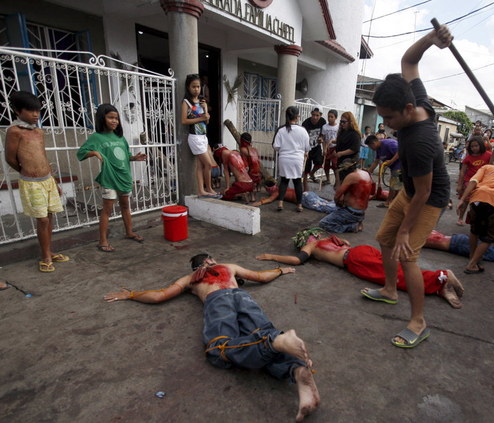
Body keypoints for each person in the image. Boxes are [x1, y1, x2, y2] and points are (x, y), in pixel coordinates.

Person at [103, 253, 319, 421]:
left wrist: (131, 294)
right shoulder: (228, 267)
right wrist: (281, 269)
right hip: (243, 297)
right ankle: (298, 370)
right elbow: (261, 277)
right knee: (260, 333)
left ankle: (276, 342)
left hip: (217, 301)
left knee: (219, 349)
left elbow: (160, 295)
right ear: (209, 260)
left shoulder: (190, 278)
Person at [368, 25, 453, 348]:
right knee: (383, 238)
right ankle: (390, 290)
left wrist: (406, 230)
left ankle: (419, 321)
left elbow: (426, 193)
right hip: (410, 190)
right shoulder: (414, 100)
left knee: (408, 254)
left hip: (429, 198)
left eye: (388, 119)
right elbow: (409, 61)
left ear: (406, 111)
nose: (385, 125)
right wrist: (432, 40)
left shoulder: (421, 140)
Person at [256, 228, 465, 309]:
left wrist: (270, 256)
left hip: (354, 260)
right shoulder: (329, 238)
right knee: (397, 269)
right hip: (361, 250)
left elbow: (297, 260)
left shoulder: (311, 245)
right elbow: (345, 241)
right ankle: (439, 286)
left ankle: (441, 277)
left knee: (395, 277)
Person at [5, 91, 70, 272]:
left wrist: (54, 181)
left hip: (47, 180)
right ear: (18, 111)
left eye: (38, 111)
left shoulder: (39, 131)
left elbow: (43, 156)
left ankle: (49, 251)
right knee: (42, 219)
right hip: (31, 182)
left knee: (49, 217)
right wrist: (26, 171)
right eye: (30, 111)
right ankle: (45, 256)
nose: (36, 115)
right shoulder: (14, 131)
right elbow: (10, 158)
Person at [77, 104, 147, 253]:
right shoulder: (97, 137)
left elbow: (125, 156)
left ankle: (129, 232)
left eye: (116, 118)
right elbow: (81, 152)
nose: (114, 121)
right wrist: (94, 153)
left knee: (126, 206)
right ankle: (102, 241)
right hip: (109, 178)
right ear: (103, 118)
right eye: (110, 117)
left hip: (124, 177)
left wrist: (134, 158)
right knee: (107, 210)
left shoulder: (120, 138)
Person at [181, 74, 216, 197]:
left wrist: (206, 111)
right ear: (188, 87)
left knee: (200, 166)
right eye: (194, 86)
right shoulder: (186, 102)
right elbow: (184, 121)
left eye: (198, 86)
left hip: (203, 136)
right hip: (194, 137)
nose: (196, 89)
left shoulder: (202, 102)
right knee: (208, 164)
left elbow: (206, 121)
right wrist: (201, 117)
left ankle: (201, 190)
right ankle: (209, 188)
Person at [273, 106, 310, 212]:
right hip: (297, 159)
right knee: (297, 182)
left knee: (284, 181)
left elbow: (276, 146)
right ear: (297, 116)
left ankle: (280, 203)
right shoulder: (302, 130)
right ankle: (299, 205)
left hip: (284, 159)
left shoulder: (281, 130)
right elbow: (307, 147)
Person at [318, 165, 372, 233]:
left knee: (324, 223)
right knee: (330, 208)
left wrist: (339, 204)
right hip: (360, 212)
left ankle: (352, 226)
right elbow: (372, 193)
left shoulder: (351, 176)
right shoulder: (365, 173)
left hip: (350, 213)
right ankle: (355, 222)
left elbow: (337, 196)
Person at [456, 136, 491, 225]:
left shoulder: (489, 155)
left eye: (476, 145)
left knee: (477, 203)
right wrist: (459, 185)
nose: (474, 148)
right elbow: (462, 172)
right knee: (465, 201)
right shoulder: (468, 158)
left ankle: (474, 219)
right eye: (472, 146)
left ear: (481, 145)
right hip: (469, 182)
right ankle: (460, 218)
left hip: (482, 183)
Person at [365, 134, 401, 208]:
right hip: (394, 167)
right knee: (396, 185)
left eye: (370, 146)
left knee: (393, 185)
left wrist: (391, 160)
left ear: (373, 143)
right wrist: (368, 171)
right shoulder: (378, 149)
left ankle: (388, 202)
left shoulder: (389, 144)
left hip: (401, 165)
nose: (370, 148)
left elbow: (400, 152)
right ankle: (395, 202)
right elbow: (376, 161)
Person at [334, 111, 361, 186]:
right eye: (341, 122)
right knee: (339, 180)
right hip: (341, 160)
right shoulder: (343, 132)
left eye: (344, 122)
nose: (342, 124)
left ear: (350, 122)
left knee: (344, 183)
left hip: (349, 162)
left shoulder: (355, 134)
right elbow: (342, 142)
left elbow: (354, 148)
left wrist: (341, 153)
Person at [301, 108, 326, 186]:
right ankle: (305, 185)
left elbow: (323, 133)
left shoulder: (323, 121)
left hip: (316, 146)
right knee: (306, 167)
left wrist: (321, 138)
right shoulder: (305, 123)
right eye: (313, 115)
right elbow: (302, 137)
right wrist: (304, 150)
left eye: (317, 115)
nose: (315, 117)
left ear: (320, 115)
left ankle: (312, 174)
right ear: (311, 113)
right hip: (308, 148)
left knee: (319, 162)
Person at [321, 110, 339, 185]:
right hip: (327, 148)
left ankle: (336, 181)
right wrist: (324, 148)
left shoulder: (338, 127)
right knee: (326, 165)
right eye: (329, 116)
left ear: (336, 118)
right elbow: (323, 139)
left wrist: (337, 149)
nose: (330, 118)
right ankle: (328, 179)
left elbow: (339, 139)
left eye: (332, 117)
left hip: (335, 148)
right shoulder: (324, 127)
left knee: (335, 165)